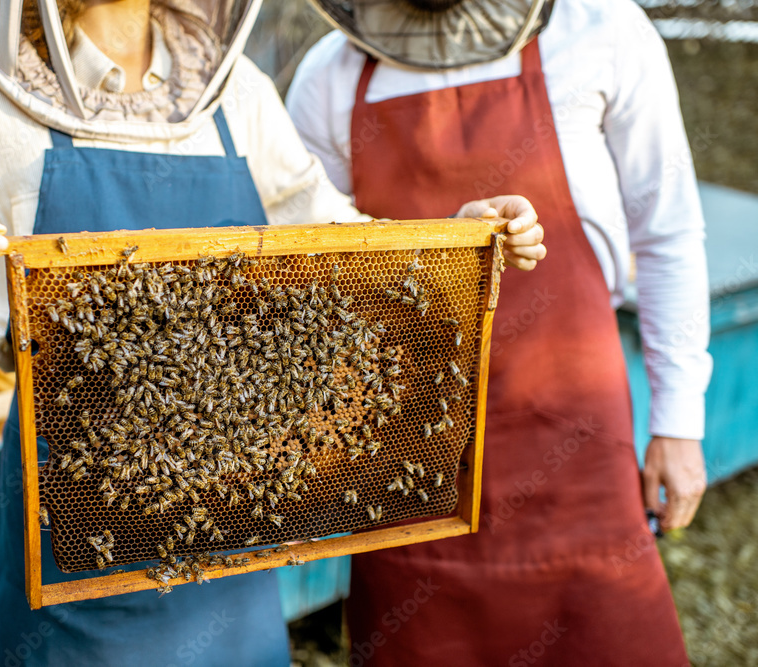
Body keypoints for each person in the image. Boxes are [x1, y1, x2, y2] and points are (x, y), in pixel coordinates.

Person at [0, 0, 544, 665]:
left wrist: (457, 239)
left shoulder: (237, 91)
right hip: (75, 533)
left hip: (239, 518)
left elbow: (340, 247)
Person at [286, 0, 710, 664]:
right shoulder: (329, 76)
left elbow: (668, 232)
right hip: (408, 465)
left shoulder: (602, 30)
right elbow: (310, 274)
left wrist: (680, 422)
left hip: (575, 448)